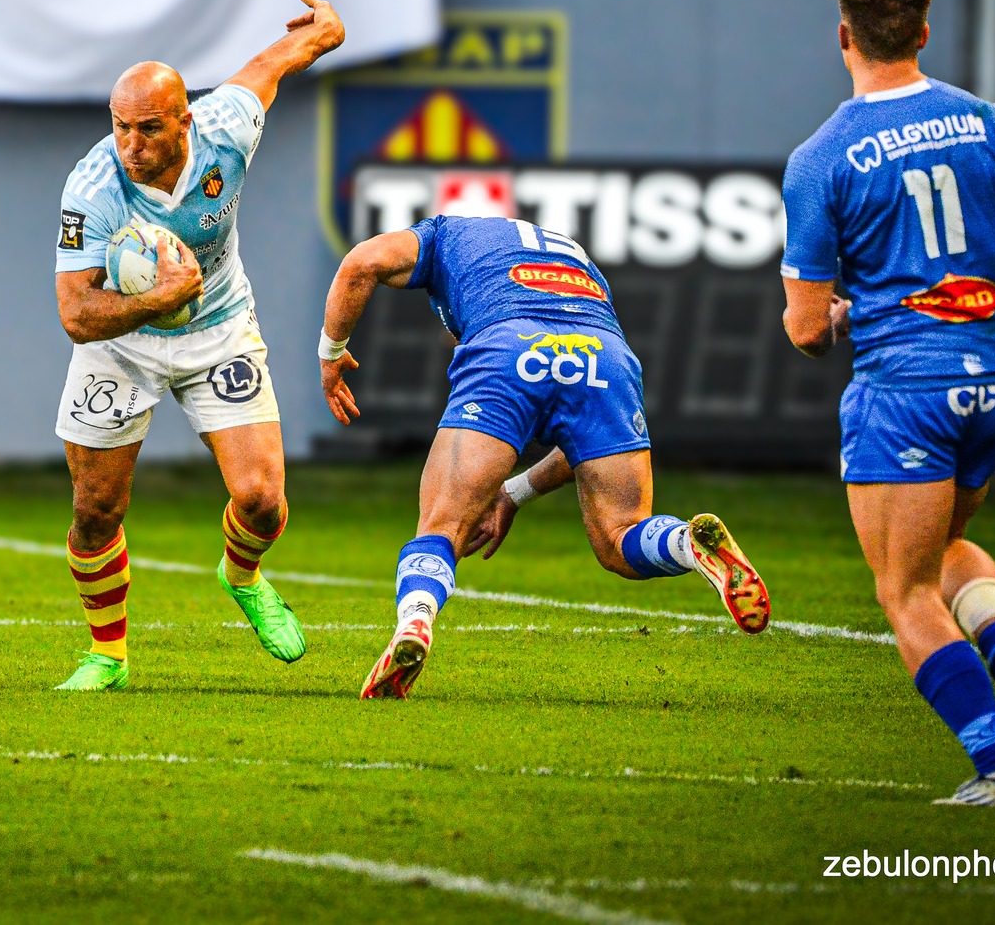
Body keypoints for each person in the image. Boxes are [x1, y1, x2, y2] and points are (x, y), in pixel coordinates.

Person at [781, 0, 995, 807]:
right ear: (923, 30)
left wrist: (845, 317)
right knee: (947, 547)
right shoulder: (992, 124)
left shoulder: (823, 156)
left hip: (902, 391)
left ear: (843, 35)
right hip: (992, 380)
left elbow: (807, 328)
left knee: (904, 589)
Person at [320, 214, 773, 702]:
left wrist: (332, 354)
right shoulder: (570, 254)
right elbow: (581, 447)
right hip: (604, 355)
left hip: (507, 347)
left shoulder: (443, 233)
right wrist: (512, 495)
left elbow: (362, 261)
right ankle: (687, 541)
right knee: (621, 536)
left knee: (441, 527)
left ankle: (414, 625)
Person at [49, 0, 345, 692]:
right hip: (121, 343)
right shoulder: (92, 188)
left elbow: (272, 63)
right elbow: (75, 312)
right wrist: (158, 299)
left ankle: (241, 574)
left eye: (148, 129)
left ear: (185, 120)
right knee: (95, 510)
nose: (131, 146)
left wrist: (325, 32)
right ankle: (107, 657)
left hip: (218, 328)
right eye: (120, 128)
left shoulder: (226, 127)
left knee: (264, 501)